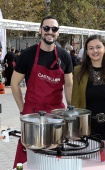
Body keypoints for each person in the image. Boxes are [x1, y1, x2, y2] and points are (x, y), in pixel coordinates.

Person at [11, 16, 73, 168]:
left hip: (56, 113)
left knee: (55, 155)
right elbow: (14, 83)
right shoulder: (28, 55)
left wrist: (71, 111)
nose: (50, 32)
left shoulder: (64, 56)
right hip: (32, 112)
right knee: (29, 155)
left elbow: (69, 85)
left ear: (58, 33)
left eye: (54, 29)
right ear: (40, 30)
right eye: (46, 28)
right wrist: (22, 110)